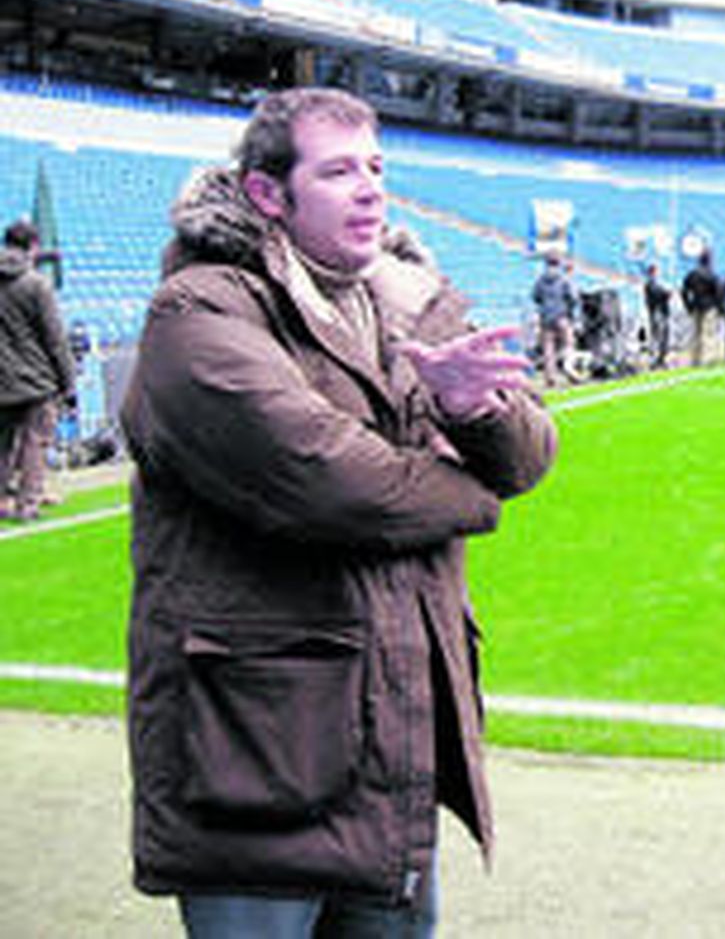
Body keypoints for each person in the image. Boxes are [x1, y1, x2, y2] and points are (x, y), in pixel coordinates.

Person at [120, 87, 559, 937]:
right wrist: (471, 494)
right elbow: (328, 479)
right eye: (337, 171)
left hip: (392, 731)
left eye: (376, 167)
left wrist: (472, 414)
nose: (369, 189)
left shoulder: (407, 298)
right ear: (266, 194)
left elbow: (531, 452)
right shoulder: (200, 311)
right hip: (254, 748)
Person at [0, 219, 74, 522]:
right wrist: (68, 383)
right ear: (32, 246)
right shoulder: (35, 284)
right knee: (35, 442)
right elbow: (55, 339)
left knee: (1, 446)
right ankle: (27, 503)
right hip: (35, 380)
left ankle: (2, 501)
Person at [530, 250, 578, 387]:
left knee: (548, 349)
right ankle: (569, 368)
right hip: (561, 316)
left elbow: (535, 297)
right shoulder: (563, 279)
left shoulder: (540, 280)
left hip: (545, 317)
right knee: (569, 343)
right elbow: (573, 298)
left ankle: (550, 378)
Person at [680, 249, 721, 367]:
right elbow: (718, 292)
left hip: (696, 307)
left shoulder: (692, 274)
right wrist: (719, 307)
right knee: (708, 334)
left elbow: (683, 291)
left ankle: (695, 361)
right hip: (709, 307)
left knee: (696, 335)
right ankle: (707, 360)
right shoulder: (712, 275)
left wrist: (688, 305)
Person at [641, 262, 672, 368]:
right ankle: (654, 360)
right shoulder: (650, 284)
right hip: (656, 312)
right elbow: (657, 295)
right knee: (657, 337)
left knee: (663, 337)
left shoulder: (657, 284)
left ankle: (661, 359)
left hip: (662, 312)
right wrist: (666, 294)